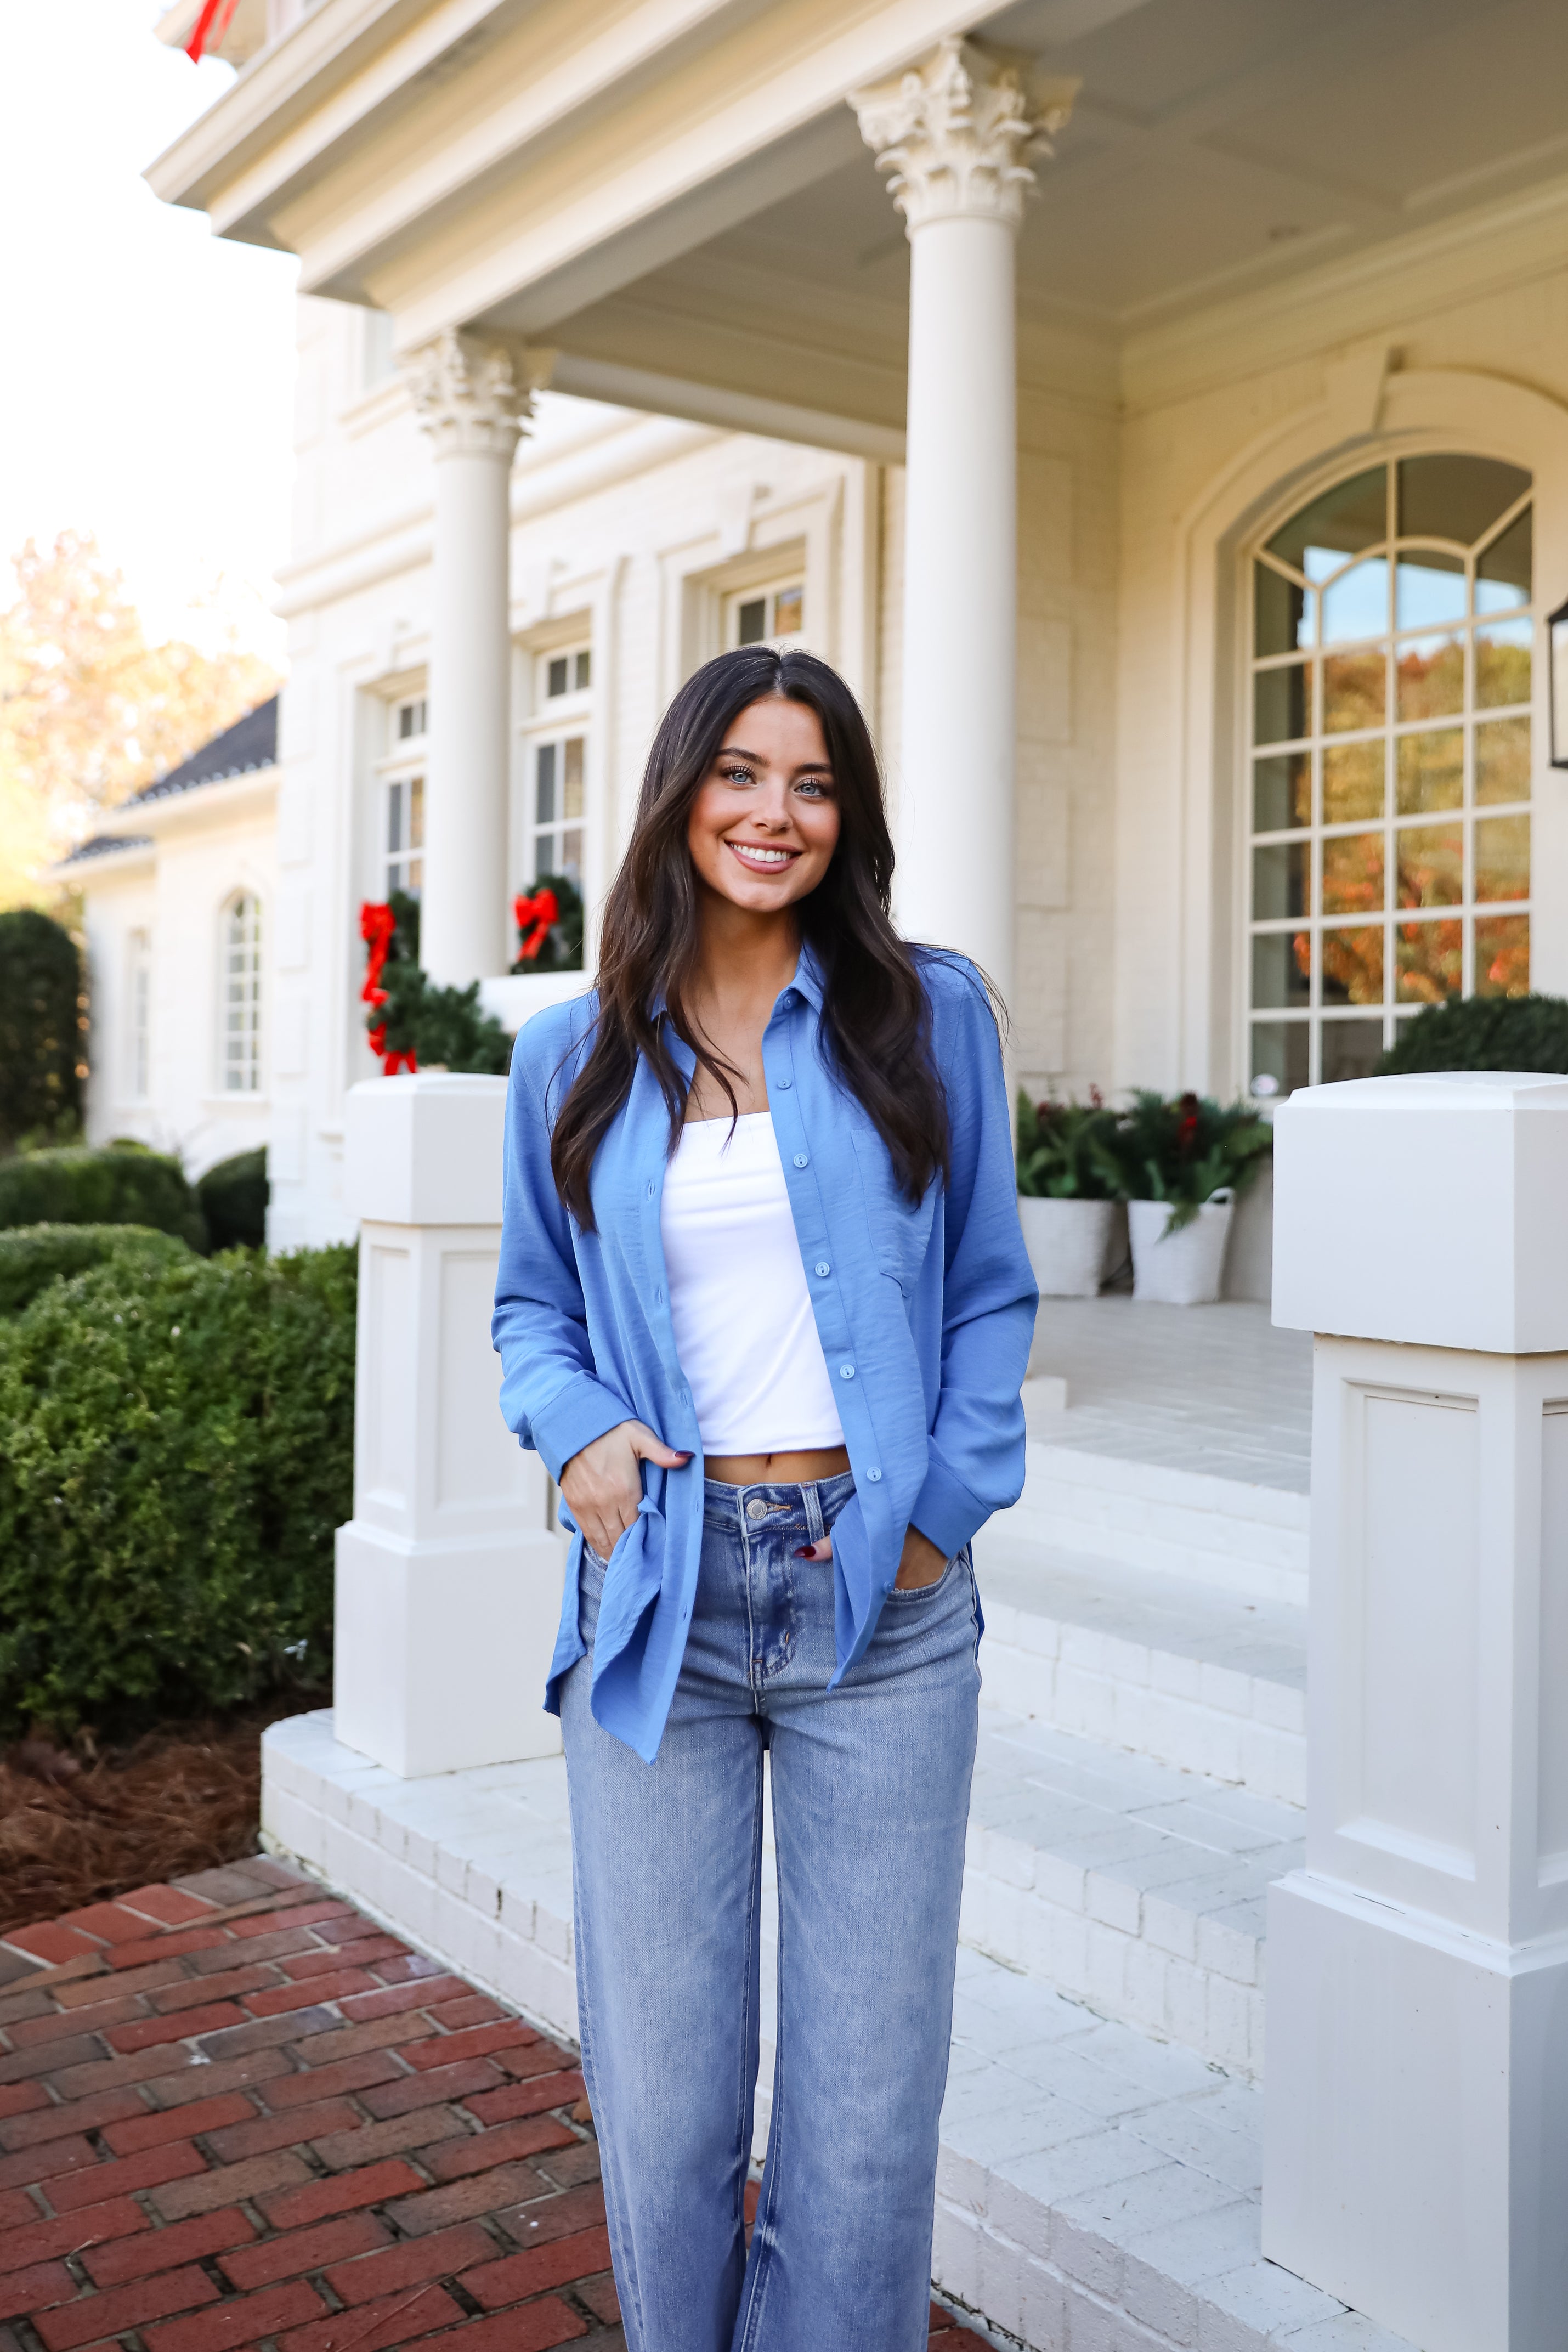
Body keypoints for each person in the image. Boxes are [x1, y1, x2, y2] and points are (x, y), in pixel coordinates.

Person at [493, 644, 1037, 2352]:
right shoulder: (569, 1053)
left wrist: (938, 1513)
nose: (772, 812)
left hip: (882, 1601)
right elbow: (530, 1307)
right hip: (655, 1596)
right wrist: (574, 1427)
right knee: (661, 2104)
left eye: (810, 782)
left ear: (847, 815)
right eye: (739, 772)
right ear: (678, 793)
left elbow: (989, 1297)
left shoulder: (927, 1016)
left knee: (865, 2117)